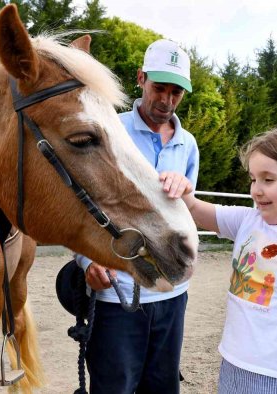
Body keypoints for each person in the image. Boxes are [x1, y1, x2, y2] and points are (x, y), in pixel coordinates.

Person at [160, 122, 277, 394]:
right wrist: (181, 188)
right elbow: (196, 209)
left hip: (276, 380)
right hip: (232, 365)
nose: (256, 189)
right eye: (253, 178)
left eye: (268, 179)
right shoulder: (249, 221)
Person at [75, 38, 199, 393]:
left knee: (162, 387)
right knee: (114, 386)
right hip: (119, 294)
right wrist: (86, 262)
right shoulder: (109, 129)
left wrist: (185, 192)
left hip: (172, 295)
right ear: (141, 78)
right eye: (160, 88)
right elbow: (83, 202)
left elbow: (186, 213)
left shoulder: (187, 145)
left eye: (176, 92)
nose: (167, 100)